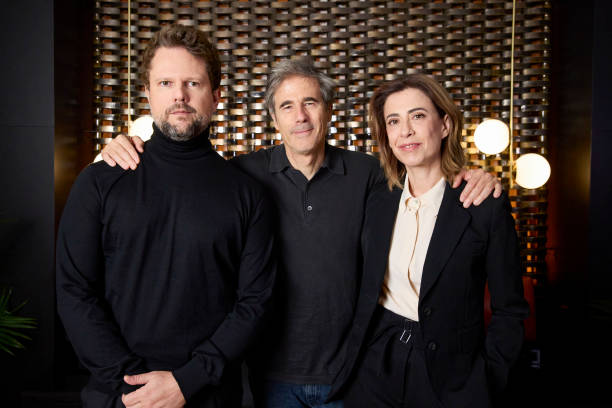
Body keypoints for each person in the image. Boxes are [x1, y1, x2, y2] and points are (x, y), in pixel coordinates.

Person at [100, 57, 502, 408]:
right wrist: (124, 147)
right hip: (271, 374)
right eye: (287, 107)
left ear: (327, 110)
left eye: (310, 103)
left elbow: (425, 175)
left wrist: (471, 176)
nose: (300, 117)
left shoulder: (370, 174)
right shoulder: (241, 175)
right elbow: (185, 175)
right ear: (273, 118)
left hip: (351, 371)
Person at [56, 24, 276, 408]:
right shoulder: (100, 181)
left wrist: (186, 382)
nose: (179, 95)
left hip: (208, 396)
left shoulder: (247, 194)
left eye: (193, 83)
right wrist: (130, 387)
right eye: (165, 83)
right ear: (147, 93)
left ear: (216, 96)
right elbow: (75, 291)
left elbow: (255, 302)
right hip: (117, 398)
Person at [329, 74, 530, 408]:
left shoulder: (482, 205)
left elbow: (511, 309)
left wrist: (488, 380)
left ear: (445, 125)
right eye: (393, 121)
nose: (405, 130)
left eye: (417, 116)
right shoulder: (375, 198)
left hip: (449, 376)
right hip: (375, 362)